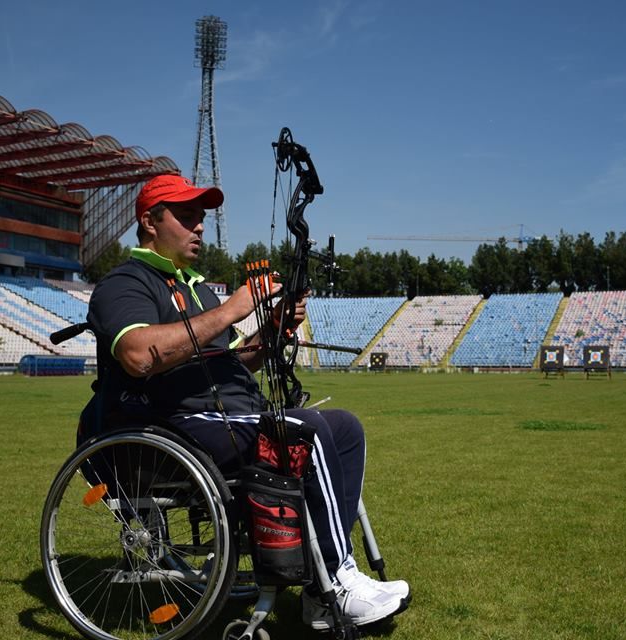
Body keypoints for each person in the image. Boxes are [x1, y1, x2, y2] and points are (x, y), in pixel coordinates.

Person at [86, 174, 410, 630]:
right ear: (149, 222)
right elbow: (138, 354)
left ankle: (319, 594)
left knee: (344, 427)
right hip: (171, 422)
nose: (199, 226)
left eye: (200, 217)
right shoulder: (126, 283)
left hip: (225, 413)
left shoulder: (196, 289)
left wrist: (273, 328)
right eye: (186, 216)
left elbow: (234, 360)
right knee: (306, 429)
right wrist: (232, 309)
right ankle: (337, 581)